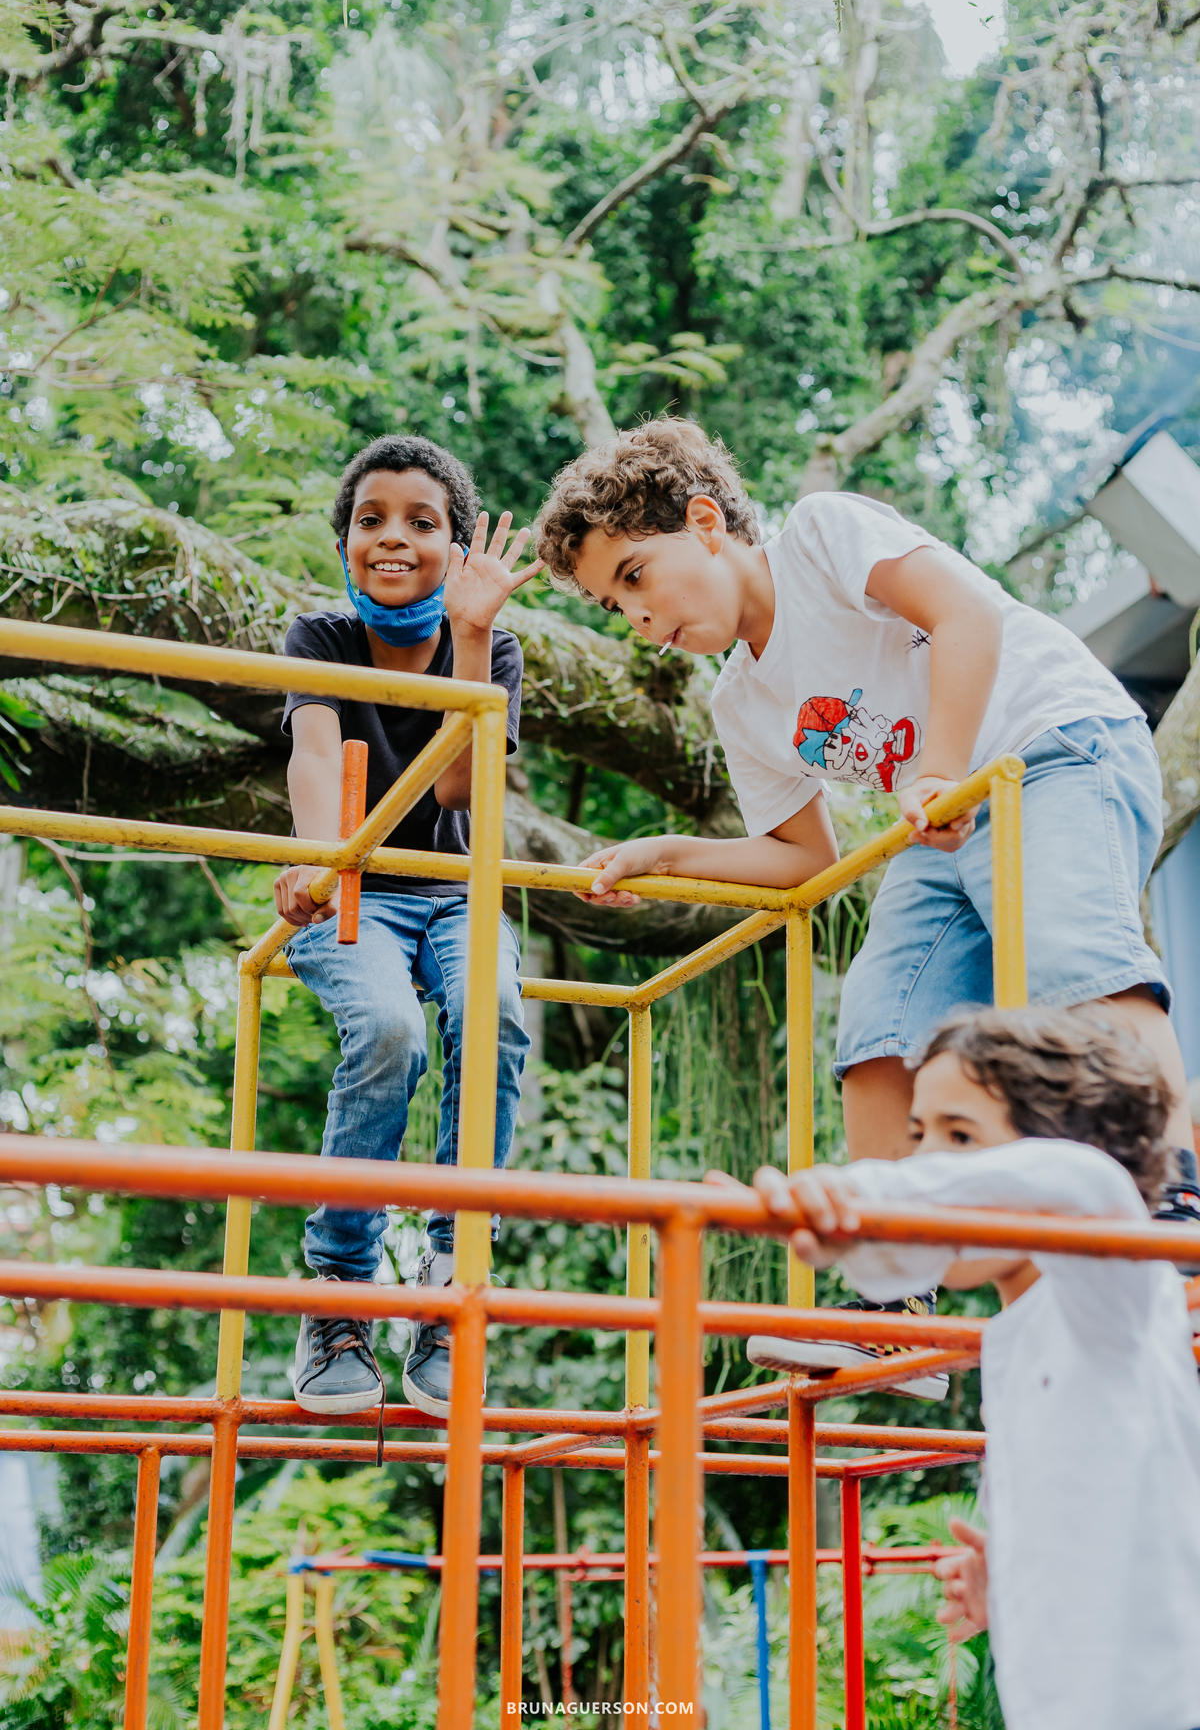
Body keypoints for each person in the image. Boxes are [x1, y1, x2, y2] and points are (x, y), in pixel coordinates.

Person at [535, 416, 1200, 1395]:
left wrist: (935, 766)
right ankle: (896, 1297)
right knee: (882, 1014)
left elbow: (966, 613)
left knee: (1069, 958)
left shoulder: (819, 536)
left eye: (634, 575)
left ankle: (1177, 1199)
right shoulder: (742, 705)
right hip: (938, 822)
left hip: (1050, 747)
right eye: (608, 603)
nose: (632, 615)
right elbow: (805, 860)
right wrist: (673, 850)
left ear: (707, 521)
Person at [749, 1005, 1200, 1730]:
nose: (928, 1164)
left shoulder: (1122, 1294)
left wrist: (867, 1202)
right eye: (919, 1136)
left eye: (963, 1137)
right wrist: (1009, 1586)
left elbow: (1078, 1181)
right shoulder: (1012, 1338)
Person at [275, 434, 541, 1419]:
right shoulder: (320, 639)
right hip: (353, 883)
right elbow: (311, 753)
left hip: (453, 885)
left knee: (496, 1009)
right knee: (389, 1031)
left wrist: (471, 637)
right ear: (344, 542)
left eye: (422, 523)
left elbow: (461, 785)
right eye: (370, 520)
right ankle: (339, 1289)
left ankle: (450, 1271)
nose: (394, 537)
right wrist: (316, 857)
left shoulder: (493, 649)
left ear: (458, 546)